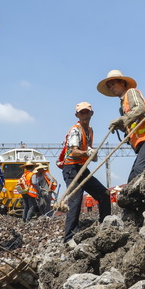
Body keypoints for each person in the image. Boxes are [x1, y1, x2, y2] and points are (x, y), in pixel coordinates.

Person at [98, 69, 145, 182]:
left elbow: (140, 108)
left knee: (141, 171)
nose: (111, 88)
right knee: (133, 178)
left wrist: (122, 119)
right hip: (142, 140)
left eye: (113, 84)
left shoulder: (131, 92)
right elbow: (130, 123)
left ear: (122, 83)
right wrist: (120, 125)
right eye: (109, 86)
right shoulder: (122, 105)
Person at [60, 102, 111, 242]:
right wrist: (87, 153)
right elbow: (74, 151)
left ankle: (105, 225)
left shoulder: (90, 130)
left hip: (81, 169)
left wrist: (89, 155)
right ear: (77, 115)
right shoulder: (75, 130)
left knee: (104, 194)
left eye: (87, 112)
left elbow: (84, 153)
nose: (85, 115)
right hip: (71, 168)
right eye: (82, 112)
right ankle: (69, 238)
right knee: (75, 201)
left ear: (91, 114)